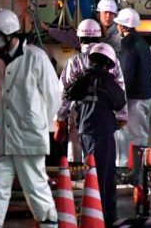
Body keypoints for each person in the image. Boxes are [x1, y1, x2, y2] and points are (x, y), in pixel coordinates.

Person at [0, 9, 62, 228]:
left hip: (28, 135)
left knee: (35, 184)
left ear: (8, 33)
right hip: (2, 135)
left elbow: (53, 96)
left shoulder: (36, 57)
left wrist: (37, 123)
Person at [64, 43, 127, 228]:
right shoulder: (107, 80)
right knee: (105, 176)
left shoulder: (84, 78)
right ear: (108, 63)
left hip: (85, 131)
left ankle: (95, 215)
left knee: (92, 173)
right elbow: (120, 102)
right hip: (103, 131)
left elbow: (70, 94)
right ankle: (105, 218)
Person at [54, 19, 127, 163]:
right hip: (105, 114)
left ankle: (79, 173)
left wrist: (59, 119)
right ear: (99, 37)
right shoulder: (112, 61)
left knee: (77, 155)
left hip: (80, 115)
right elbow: (120, 89)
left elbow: (63, 93)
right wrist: (122, 115)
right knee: (103, 157)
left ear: (80, 39)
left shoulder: (75, 61)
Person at [113, 7, 151, 183]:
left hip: (135, 98)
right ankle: (136, 172)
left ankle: (133, 174)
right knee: (138, 134)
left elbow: (126, 75)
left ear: (123, 26)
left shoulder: (128, 47)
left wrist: (119, 100)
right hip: (146, 95)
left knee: (132, 135)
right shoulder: (142, 43)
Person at [40, 0, 122, 53]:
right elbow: (68, 37)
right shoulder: (90, 28)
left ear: (115, 15)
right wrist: (48, 29)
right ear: (98, 14)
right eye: (105, 12)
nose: (108, 16)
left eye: (111, 13)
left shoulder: (120, 33)